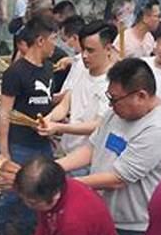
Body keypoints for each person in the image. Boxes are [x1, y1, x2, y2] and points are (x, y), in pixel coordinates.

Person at [56, 58, 161, 235]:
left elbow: (117, 179)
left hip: (132, 226)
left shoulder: (159, 129)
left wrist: (64, 185)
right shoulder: (117, 112)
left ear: (141, 96)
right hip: (102, 211)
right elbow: (93, 148)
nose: (111, 106)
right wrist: (56, 168)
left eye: (115, 100)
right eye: (110, 98)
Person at [0, 16, 58, 235]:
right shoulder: (15, 72)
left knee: (39, 189)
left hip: (43, 144)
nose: (55, 45)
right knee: (12, 188)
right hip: (20, 144)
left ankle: (27, 228)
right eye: (53, 39)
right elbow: (5, 112)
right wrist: (4, 150)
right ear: (40, 40)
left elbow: (48, 101)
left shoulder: (49, 68)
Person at [42, 21, 116, 175]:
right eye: (83, 50)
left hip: (87, 161)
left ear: (108, 48)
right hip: (66, 151)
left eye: (90, 51)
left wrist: (59, 128)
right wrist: (49, 119)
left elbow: (98, 125)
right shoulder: (81, 68)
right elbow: (66, 103)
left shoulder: (113, 83)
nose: (84, 56)